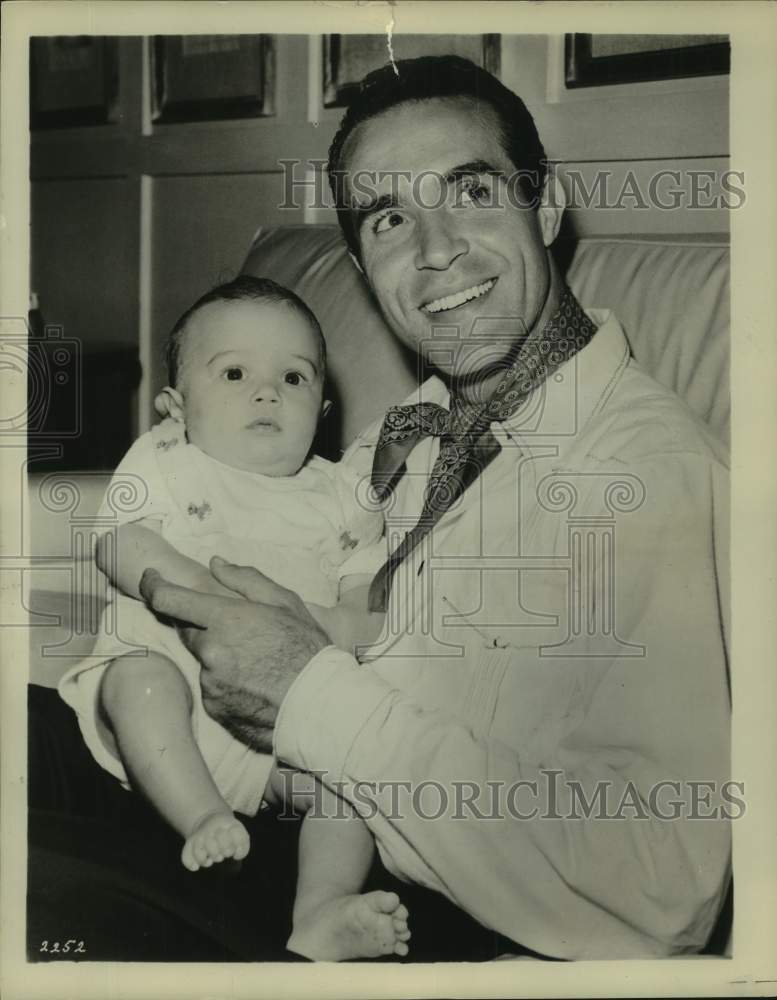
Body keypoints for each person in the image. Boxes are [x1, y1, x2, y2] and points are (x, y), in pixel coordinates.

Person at [28, 55, 731, 961]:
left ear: (544, 208)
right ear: (362, 264)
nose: (435, 250)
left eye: (470, 192)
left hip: (371, 903)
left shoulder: (645, 476)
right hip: (194, 779)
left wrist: (304, 687)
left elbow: (663, 889)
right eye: (390, 219)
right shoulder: (420, 425)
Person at [57, 275, 410, 960]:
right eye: (235, 373)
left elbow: (366, 590)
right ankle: (202, 818)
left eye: (294, 377)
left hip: (277, 733)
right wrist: (206, 595)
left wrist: (347, 625)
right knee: (140, 677)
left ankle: (321, 911)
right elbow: (118, 540)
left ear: (323, 405)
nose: (267, 391)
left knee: (356, 784)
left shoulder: (338, 493)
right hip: (165, 709)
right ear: (175, 407)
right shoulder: (170, 458)